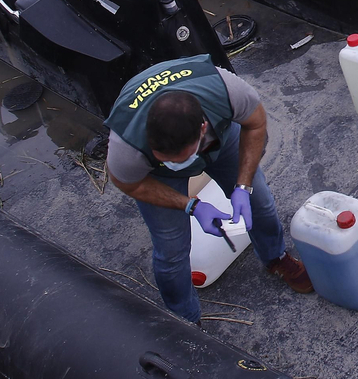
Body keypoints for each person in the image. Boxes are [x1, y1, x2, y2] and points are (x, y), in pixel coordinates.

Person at [105, 53, 313, 323]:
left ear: (202, 128)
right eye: (165, 157)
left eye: (180, 159)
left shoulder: (226, 90)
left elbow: (256, 123)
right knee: (171, 251)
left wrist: (243, 185)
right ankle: (185, 319)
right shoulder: (127, 146)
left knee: (259, 202)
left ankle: (276, 256)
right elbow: (128, 183)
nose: (176, 164)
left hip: (222, 141)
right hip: (157, 176)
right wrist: (190, 205)